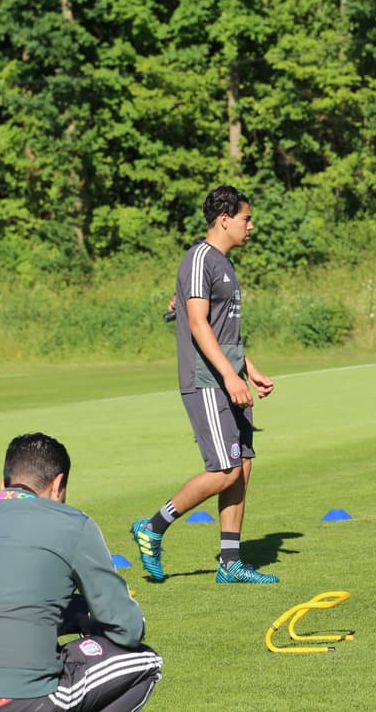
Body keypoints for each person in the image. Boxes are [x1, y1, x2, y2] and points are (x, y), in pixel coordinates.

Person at [0, 433, 163, 711]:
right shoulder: (73, 523)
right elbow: (128, 629)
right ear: (57, 485)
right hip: (22, 698)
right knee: (146, 662)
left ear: (3, 484)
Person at [131, 186, 278, 584]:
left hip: (228, 377)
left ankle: (230, 562)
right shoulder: (199, 258)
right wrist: (229, 375)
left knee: (242, 467)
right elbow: (198, 325)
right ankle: (152, 527)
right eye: (246, 219)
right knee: (226, 469)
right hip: (207, 380)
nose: (251, 226)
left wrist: (248, 369)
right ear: (225, 219)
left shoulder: (224, 264)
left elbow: (222, 331)